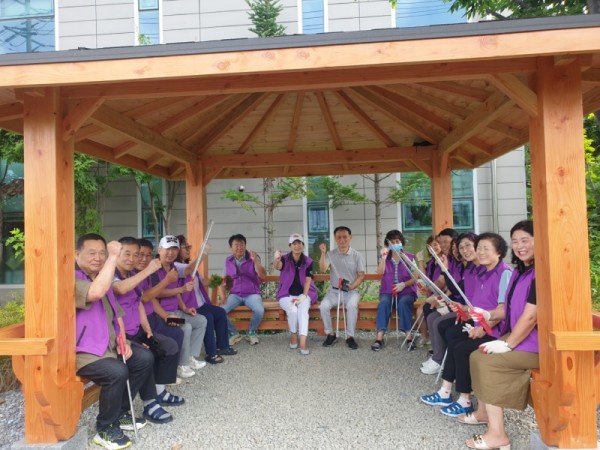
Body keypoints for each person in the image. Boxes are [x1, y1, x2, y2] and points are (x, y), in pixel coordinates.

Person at [420, 232, 513, 418]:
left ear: (499, 252)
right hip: (479, 324)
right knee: (454, 336)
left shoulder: (505, 273)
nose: (480, 252)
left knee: (460, 346)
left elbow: (503, 311)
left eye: (486, 248)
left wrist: (482, 326)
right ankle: (445, 392)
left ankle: (465, 399)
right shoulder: (482, 272)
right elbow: (474, 302)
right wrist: (463, 308)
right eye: (479, 248)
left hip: (497, 330)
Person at [75, 234, 154, 450]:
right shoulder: (71, 278)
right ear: (77, 254)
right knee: (117, 371)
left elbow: (116, 313)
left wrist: (123, 338)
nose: (98, 257)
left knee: (143, 358)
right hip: (82, 350)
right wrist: (112, 257)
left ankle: (119, 413)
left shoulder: (103, 276)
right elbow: (95, 292)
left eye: (102, 253)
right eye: (92, 253)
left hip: (107, 345)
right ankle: (105, 429)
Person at [464, 220, 536, 450]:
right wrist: (487, 314)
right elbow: (506, 309)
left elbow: (531, 316)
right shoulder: (519, 272)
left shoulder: (540, 272)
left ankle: (498, 435)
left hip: (537, 345)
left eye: (525, 240)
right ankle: (484, 412)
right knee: (477, 355)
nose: (519, 246)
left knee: (488, 362)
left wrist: (508, 344)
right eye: (516, 241)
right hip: (518, 336)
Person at [112, 237, 184, 415]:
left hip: (150, 322)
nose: (135, 258)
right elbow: (129, 292)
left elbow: (140, 302)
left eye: (137, 255)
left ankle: (162, 389)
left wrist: (149, 330)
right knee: (147, 356)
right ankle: (150, 403)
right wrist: (161, 277)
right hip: (122, 334)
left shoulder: (171, 269)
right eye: (128, 254)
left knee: (174, 339)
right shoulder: (115, 275)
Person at [421, 232, 479, 375]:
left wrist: (444, 271)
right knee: (431, 315)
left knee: (438, 322)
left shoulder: (474, 268)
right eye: (460, 248)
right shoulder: (464, 267)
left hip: (471, 312)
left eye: (467, 246)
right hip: (460, 305)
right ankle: (438, 356)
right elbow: (454, 288)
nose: (460, 251)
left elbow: (456, 289)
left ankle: (440, 358)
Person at [150, 235, 207, 378]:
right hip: (162, 314)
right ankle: (182, 365)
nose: (171, 253)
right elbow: (157, 293)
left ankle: (190, 357)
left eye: (174, 249)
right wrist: (180, 289)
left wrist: (185, 309)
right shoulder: (154, 268)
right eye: (167, 249)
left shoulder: (174, 267)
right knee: (186, 327)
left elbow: (178, 293)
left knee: (201, 321)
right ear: (159, 249)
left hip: (176, 311)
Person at [176, 235, 237, 364]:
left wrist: (220, 281)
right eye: (185, 247)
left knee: (220, 313)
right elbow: (188, 270)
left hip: (201, 303)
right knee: (208, 317)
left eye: (189, 247)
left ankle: (222, 346)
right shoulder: (176, 266)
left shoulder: (191, 267)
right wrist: (203, 253)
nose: (188, 250)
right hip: (189, 306)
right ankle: (211, 353)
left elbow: (204, 281)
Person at [319, 226, 366, 349]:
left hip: (351, 291)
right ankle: (330, 334)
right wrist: (323, 253)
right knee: (323, 306)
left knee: (352, 306)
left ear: (350, 238)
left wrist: (352, 286)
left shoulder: (357, 255)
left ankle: (350, 337)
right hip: (334, 292)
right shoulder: (331, 254)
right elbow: (323, 268)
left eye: (345, 237)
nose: (342, 240)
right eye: (339, 237)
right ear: (335, 239)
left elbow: (361, 275)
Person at [371, 229, 417, 351]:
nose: (395, 244)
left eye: (397, 241)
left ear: (401, 242)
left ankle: (409, 337)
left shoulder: (409, 257)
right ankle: (379, 338)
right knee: (384, 304)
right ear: (388, 244)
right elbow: (380, 272)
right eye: (392, 242)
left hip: (406, 290)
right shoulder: (386, 258)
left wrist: (404, 284)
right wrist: (383, 257)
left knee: (402, 304)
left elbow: (415, 277)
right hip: (388, 290)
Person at [273, 233, 318, 355]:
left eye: (299, 243)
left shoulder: (308, 261)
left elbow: (308, 279)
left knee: (303, 311)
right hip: (286, 294)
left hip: (304, 293)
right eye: (294, 243)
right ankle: (293, 334)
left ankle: (303, 342)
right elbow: (278, 267)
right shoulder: (284, 258)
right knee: (292, 310)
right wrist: (277, 259)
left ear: (303, 245)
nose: (297, 246)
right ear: (290, 246)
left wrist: (304, 295)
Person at [218, 234, 267, 345]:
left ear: (245, 246)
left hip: (252, 293)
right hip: (235, 294)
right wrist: (223, 297)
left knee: (259, 310)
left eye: (242, 245)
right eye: (236, 245)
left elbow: (263, 275)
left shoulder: (253, 257)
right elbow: (222, 281)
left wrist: (256, 261)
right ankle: (234, 333)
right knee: (220, 311)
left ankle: (251, 332)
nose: (239, 247)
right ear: (231, 248)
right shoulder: (228, 260)